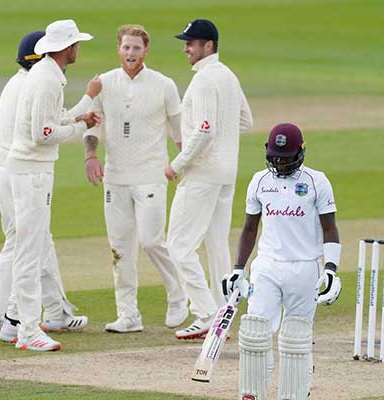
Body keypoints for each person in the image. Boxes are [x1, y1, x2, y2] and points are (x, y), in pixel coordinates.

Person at [0, 30, 94, 341]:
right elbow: (45, 131)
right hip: (19, 169)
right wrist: (83, 118)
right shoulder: (39, 83)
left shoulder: (23, 82)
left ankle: (32, 313)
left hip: (9, 168)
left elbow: (55, 119)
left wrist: (82, 112)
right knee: (29, 245)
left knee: (28, 242)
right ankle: (15, 321)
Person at [222, 123, 341, 399]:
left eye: (286, 157)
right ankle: (252, 394)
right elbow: (250, 228)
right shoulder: (259, 182)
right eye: (276, 156)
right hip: (267, 267)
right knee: (255, 331)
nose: (280, 162)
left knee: (296, 338)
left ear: (301, 152)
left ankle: (296, 394)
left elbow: (330, 229)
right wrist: (238, 269)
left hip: (305, 268)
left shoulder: (316, 181)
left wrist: (331, 269)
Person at [83, 24, 187, 333]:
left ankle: (178, 296)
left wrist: (183, 165)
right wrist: (90, 156)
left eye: (136, 48)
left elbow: (180, 133)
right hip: (116, 177)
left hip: (151, 175)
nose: (131, 53)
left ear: (146, 51)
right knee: (120, 247)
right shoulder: (103, 83)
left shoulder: (164, 85)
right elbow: (92, 125)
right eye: (126, 47)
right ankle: (128, 314)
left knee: (152, 241)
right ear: (118, 49)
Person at [165, 19, 253, 340]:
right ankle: (223, 313)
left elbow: (204, 129)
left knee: (178, 245)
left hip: (202, 173)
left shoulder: (204, 81)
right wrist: (224, 141)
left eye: (192, 43)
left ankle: (205, 313)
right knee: (216, 244)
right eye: (186, 42)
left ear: (209, 46)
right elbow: (245, 120)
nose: (186, 48)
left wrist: (177, 164)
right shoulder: (227, 75)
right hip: (226, 172)